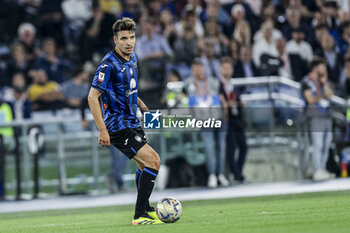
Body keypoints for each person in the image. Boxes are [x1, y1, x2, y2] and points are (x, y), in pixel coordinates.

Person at [87, 17, 163, 225]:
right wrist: (102, 130)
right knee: (154, 161)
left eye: (131, 37)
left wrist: (141, 104)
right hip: (118, 125)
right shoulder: (107, 64)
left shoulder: (133, 58)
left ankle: (146, 209)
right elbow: (92, 97)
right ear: (115, 40)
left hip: (132, 121)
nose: (129, 42)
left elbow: (126, 90)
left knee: (143, 166)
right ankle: (139, 215)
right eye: (124, 38)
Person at [301, 58, 335, 181]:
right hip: (315, 117)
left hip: (327, 115)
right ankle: (317, 169)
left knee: (326, 144)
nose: (325, 70)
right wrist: (322, 95)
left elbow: (330, 95)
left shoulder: (324, 81)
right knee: (318, 144)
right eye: (323, 67)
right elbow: (310, 99)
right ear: (316, 68)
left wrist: (324, 83)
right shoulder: (306, 81)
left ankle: (322, 168)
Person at [219, 57, 248, 184]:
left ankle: (238, 173)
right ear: (220, 69)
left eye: (229, 68)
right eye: (225, 68)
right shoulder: (218, 85)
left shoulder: (233, 85)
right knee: (230, 148)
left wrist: (239, 103)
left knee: (243, 147)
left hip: (237, 120)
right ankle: (235, 175)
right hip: (227, 120)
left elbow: (235, 100)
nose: (228, 70)